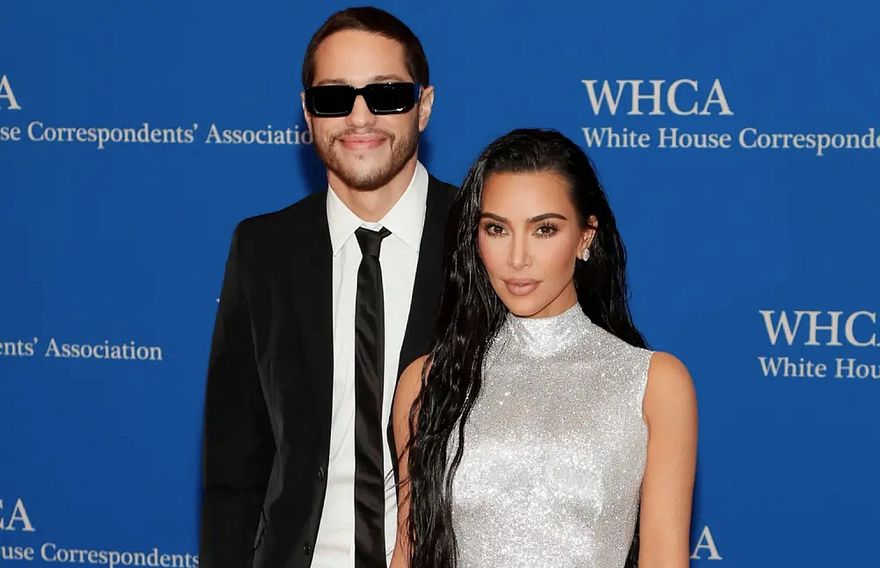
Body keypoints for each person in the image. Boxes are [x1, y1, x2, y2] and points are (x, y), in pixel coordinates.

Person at [200, 7, 456, 568]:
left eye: (386, 95)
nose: (359, 117)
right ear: (307, 113)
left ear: (424, 106)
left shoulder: (482, 239)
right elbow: (233, 468)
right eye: (334, 98)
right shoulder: (262, 250)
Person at [390, 129, 698, 568]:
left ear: (586, 236)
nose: (517, 258)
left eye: (544, 229)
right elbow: (409, 552)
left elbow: (664, 557)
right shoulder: (428, 382)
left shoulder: (653, 384)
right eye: (497, 229)